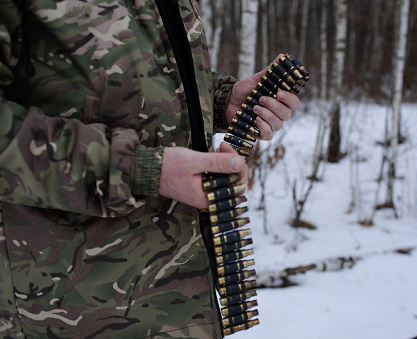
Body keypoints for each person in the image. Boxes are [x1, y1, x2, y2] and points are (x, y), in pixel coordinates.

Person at [0, 0, 300, 338]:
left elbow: (141, 74)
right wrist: (139, 169)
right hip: (69, 311)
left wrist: (220, 100)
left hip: (182, 303)